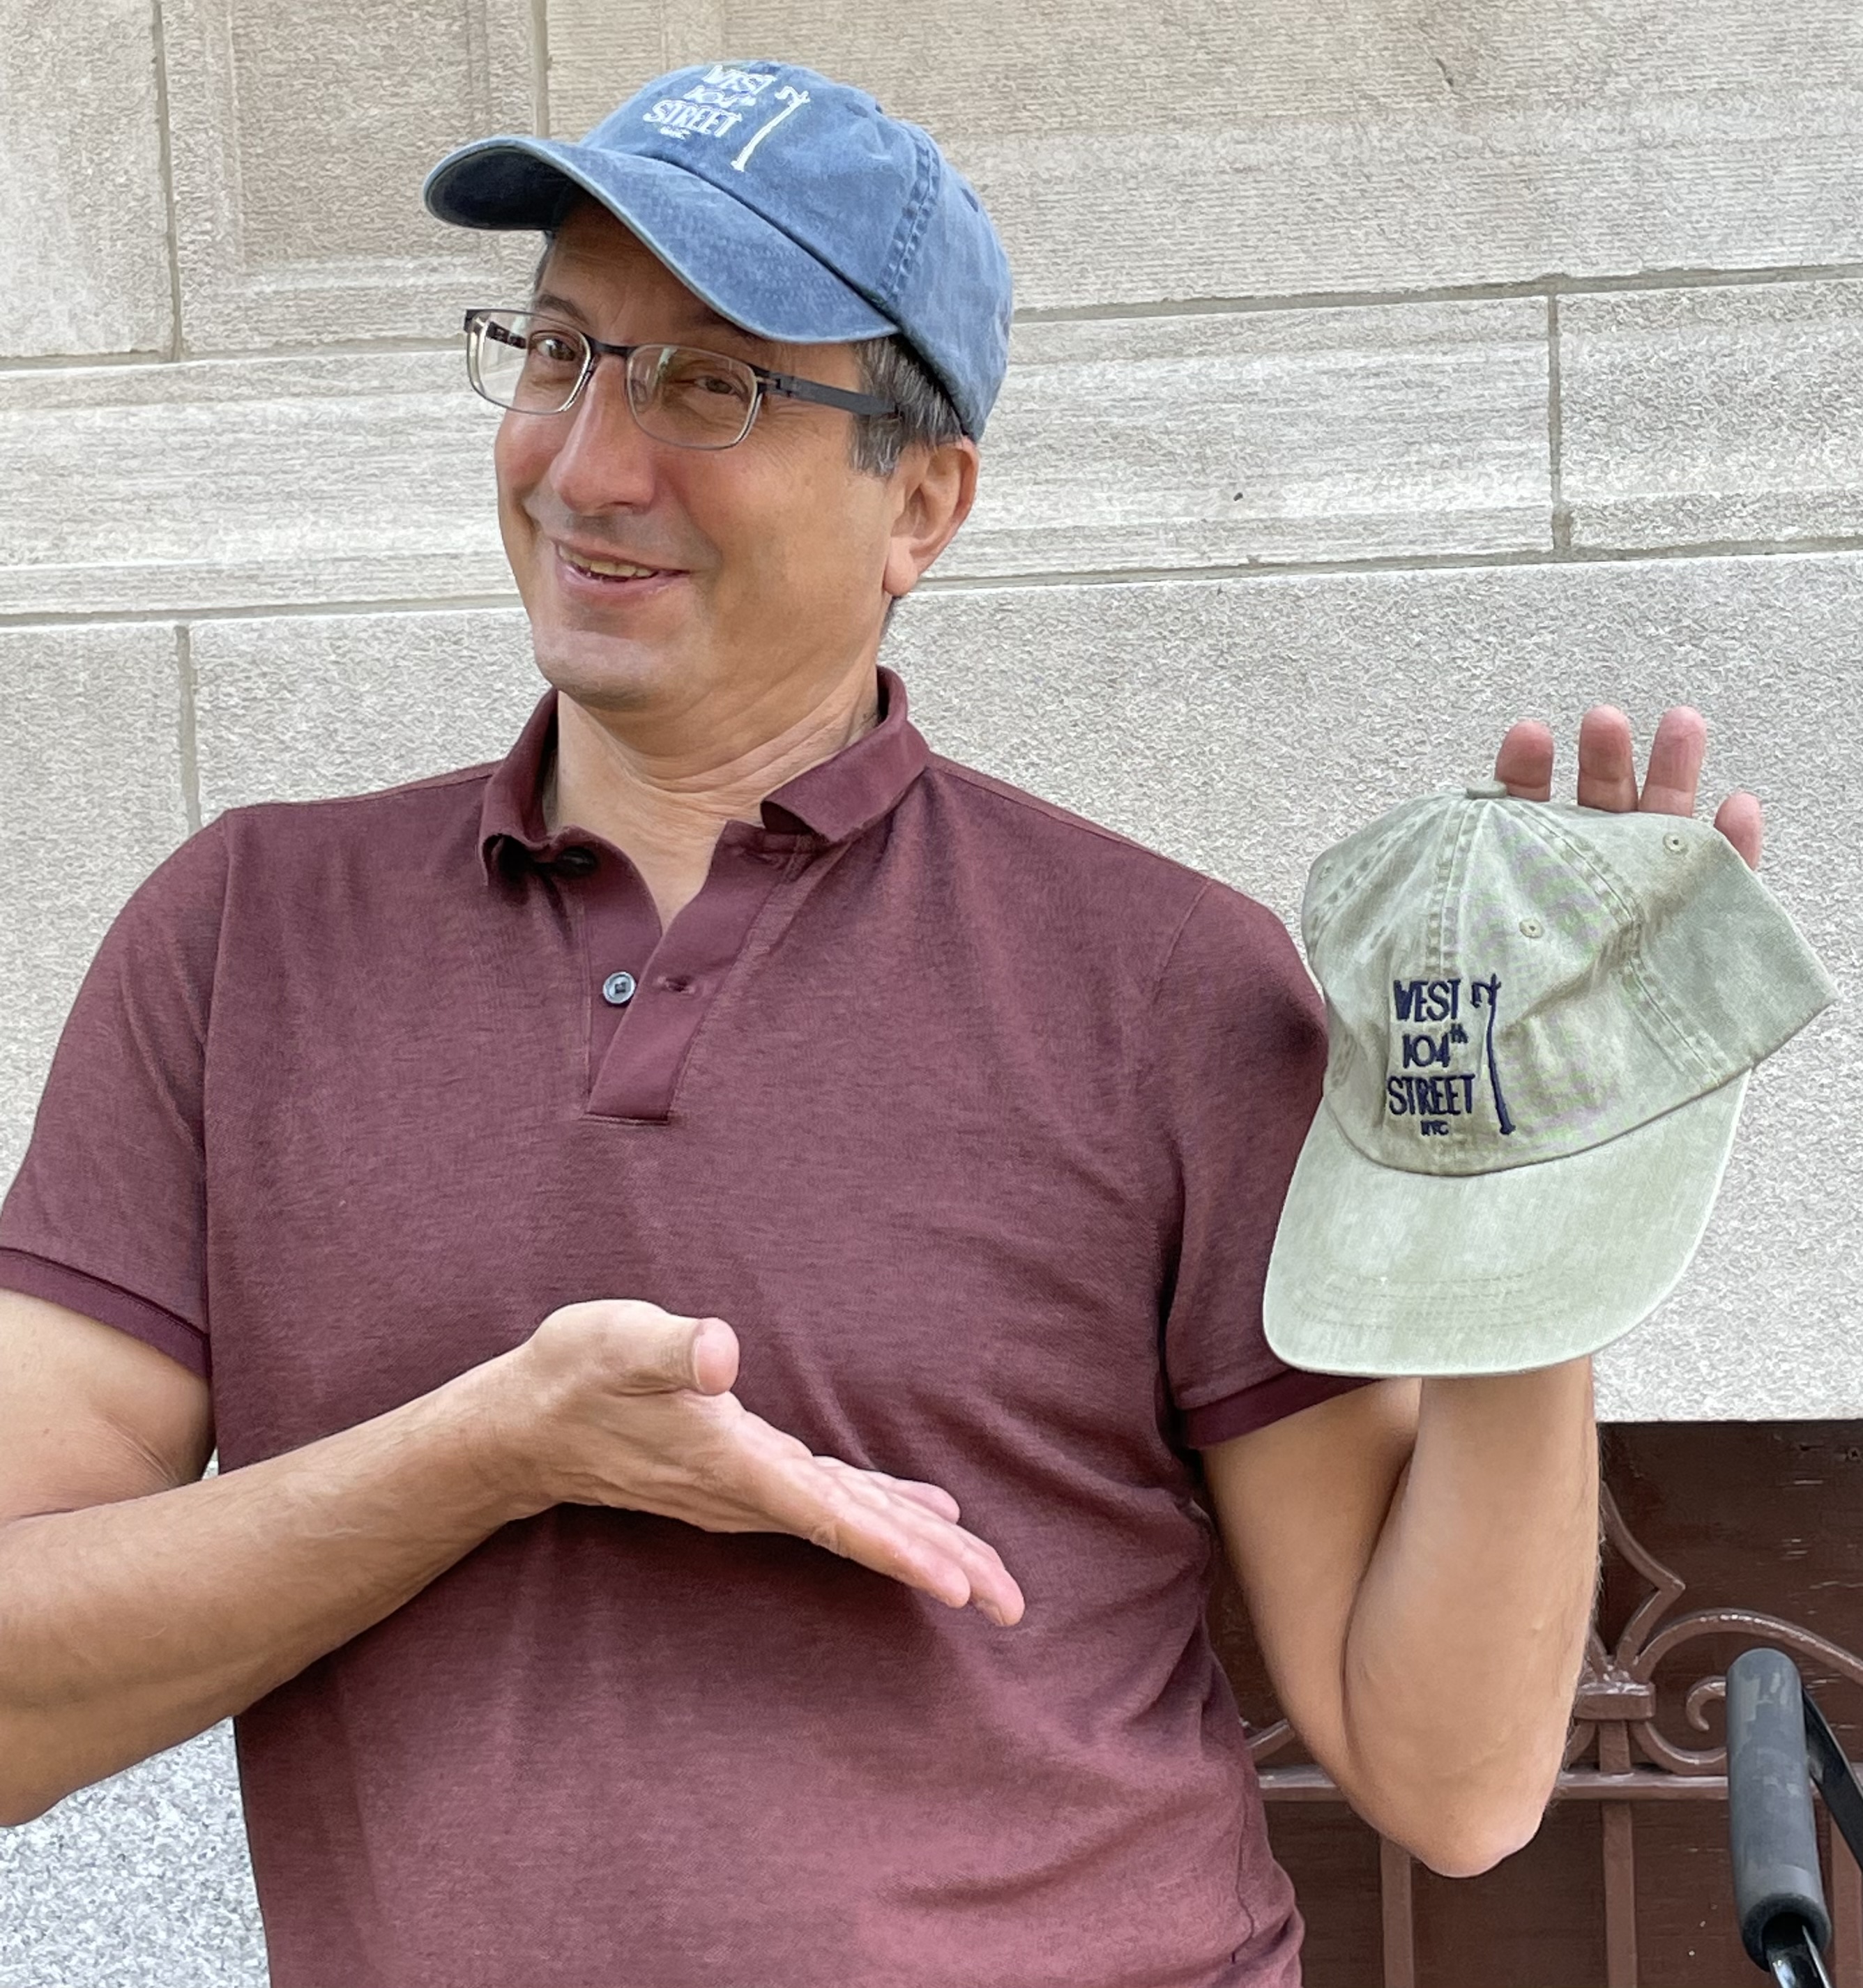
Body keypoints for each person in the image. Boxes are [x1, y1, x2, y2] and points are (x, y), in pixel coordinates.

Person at [0, 60, 1762, 1988]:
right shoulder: (245, 936)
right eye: (558, 352)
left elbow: (1452, 1780)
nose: (588, 464)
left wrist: (1535, 1213)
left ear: (921, 499)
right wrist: (499, 1447)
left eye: (710, 384)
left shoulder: (1161, 983)